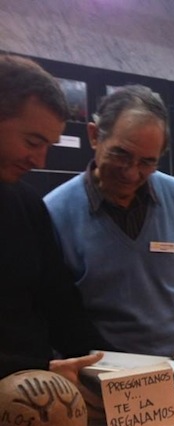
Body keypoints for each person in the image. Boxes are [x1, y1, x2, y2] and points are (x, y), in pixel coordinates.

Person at [45, 85, 174, 357]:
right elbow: (54, 312)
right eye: (121, 154)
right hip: (107, 375)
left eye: (147, 162)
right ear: (95, 136)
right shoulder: (55, 211)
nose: (131, 173)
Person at [0, 53, 104, 384]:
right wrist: (30, 369)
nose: (40, 160)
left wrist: (108, 367)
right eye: (32, 142)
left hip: (34, 394)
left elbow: (60, 304)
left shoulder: (26, 204)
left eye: (48, 145)